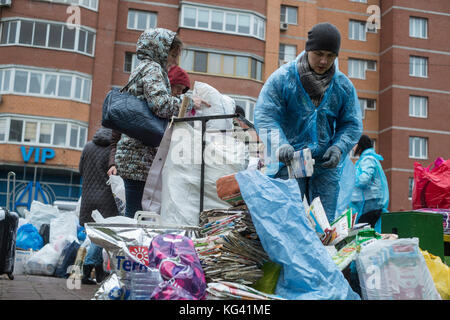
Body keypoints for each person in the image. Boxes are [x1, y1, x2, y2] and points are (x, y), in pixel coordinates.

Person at [254, 22, 363, 222]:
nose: (324, 61)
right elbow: (266, 115)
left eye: (330, 56)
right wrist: (280, 144)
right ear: (308, 50)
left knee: (323, 224)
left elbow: (351, 123)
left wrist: (339, 147)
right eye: (319, 53)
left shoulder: (342, 86)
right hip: (290, 160)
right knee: (288, 221)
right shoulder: (283, 79)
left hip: (325, 164)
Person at [113, 28, 209, 219]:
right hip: (138, 157)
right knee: (137, 217)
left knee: (135, 214)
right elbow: (161, 105)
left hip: (134, 155)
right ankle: (132, 250)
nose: (173, 61)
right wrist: (189, 101)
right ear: (159, 50)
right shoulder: (152, 69)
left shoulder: (143, 68)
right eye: (172, 55)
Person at [107, 65, 192, 177]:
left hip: (154, 169)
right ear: (167, 85)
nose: (179, 93)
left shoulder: (173, 112)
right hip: (136, 169)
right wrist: (112, 164)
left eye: (182, 90)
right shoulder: (150, 106)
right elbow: (115, 139)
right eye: (178, 88)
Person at [78, 126, 119, 284]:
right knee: (102, 233)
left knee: (95, 233)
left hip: (88, 196)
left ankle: (98, 271)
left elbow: (81, 170)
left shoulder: (88, 146)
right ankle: (88, 267)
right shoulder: (113, 150)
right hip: (107, 197)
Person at [350, 135, 389, 232]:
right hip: (371, 204)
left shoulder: (367, 160)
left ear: (360, 145)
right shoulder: (368, 159)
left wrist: (350, 180)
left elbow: (363, 180)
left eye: (355, 144)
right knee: (365, 232)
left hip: (370, 204)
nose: (353, 147)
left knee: (362, 232)